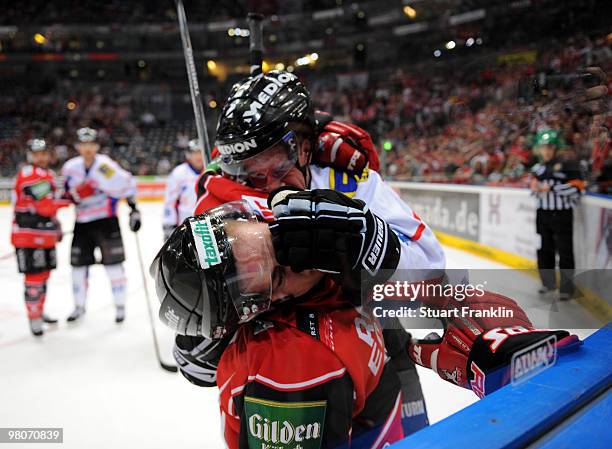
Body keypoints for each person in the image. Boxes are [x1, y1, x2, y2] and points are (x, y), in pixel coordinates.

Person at [151, 200, 580, 449]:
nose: (298, 253)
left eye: (269, 233)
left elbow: (439, 289)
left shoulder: (309, 246)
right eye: (279, 272)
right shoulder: (288, 372)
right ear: (268, 305)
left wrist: (490, 335)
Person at [183, 70, 443, 434]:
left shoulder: (348, 179)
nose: (268, 183)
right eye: (250, 172)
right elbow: (199, 296)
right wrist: (204, 324)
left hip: (380, 345)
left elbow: (430, 274)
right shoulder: (219, 196)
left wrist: (368, 244)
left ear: (304, 147)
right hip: (282, 369)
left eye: (278, 165)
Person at [152, 202, 405, 449]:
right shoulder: (292, 367)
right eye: (278, 276)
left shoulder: (312, 236)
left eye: (273, 238)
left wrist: (379, 256)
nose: (296, 257)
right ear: (273, 303)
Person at [61, 127, 142, 323]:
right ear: (78, 147)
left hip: (106, 222)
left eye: (91, 144)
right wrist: (74, 195)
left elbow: (127, 184)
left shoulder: (106, 166)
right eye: (83, 144)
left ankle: (120, 306)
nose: (87, 148)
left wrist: (134, 209)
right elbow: (64, 194)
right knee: (78, 267)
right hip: (82, 224)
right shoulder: (70, 167)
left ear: (96, 146)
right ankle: (79, 306)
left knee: (114, 266)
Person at [11, 139, 70, 336]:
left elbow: (49, 209)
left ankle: (39, 311)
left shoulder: (48, 174)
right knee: (34, 278)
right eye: (36, 154)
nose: (41, 157)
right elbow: (45, 206)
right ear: (29, 155)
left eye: (44, 153)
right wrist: (72, 198)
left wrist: (57, 227)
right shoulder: (29, 174)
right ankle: (34, 317)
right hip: (28, 235)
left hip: (45, 236)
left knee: (44, 275)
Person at [530, 130, 585, 300]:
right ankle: (548, 283)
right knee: (544, 249)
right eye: (544, 147)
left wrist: (553, 188)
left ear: (555, 148)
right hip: (543, 214)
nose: (546, 150)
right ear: (539, 149)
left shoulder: (569, 166)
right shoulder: (537, 169)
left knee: (565, 251)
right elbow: (534, 191)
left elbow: (578, 190)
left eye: (550, 147)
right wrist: (535, 187)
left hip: (562, 214)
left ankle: (566, 289)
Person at [161, 139, 203, 240]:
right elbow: (170, 201)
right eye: (195, 153)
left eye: (200, 152)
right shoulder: (179, 173)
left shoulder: (211, 171)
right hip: (185, 225)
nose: (198, 156)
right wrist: (169, 224)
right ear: (188, 155)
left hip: (208, 224)